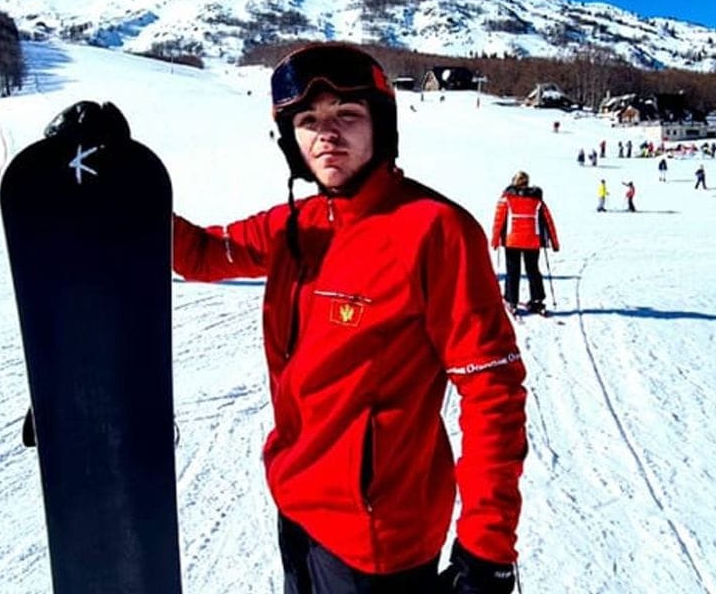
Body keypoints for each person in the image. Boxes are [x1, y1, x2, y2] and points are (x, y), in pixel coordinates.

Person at [172, 44, 527, 594]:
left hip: (380, 540)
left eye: (347, 115)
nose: (327, 135)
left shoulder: (435, 230)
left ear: (380, 126)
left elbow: (492, 391)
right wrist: (120, 186)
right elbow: (200, 254)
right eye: (309, 121)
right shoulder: (297, 226)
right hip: (297, 507)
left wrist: (487, 548)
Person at [491, 170, 561, 315]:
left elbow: (499, 221)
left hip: (512, 241)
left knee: (513, 271)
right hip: (532, 241)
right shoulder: (537, 200)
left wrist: (495, 240)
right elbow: (548, 221)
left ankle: (511, 300)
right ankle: (537, 300)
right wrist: (554, 243)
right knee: (533, 270)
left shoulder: (506, 198)